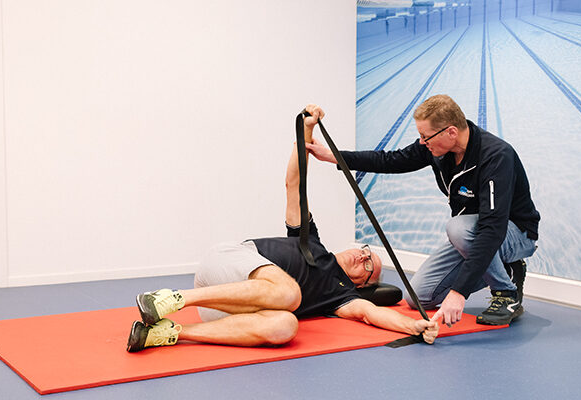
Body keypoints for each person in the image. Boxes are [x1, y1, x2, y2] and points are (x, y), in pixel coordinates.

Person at [126, 108, 439, 352]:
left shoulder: (341, 297)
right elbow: (295, 184)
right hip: (225, 265)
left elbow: (372, 314)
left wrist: (414, 327)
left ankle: (167, 333)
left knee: (286, 326)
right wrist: (307, 129)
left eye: (369, 267)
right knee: (289, 293)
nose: (362, 257)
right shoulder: (310, 240)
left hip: (223, 309)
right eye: (366, 252)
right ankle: (171, 298)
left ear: (362, 286)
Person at [305, 95, 540, 326]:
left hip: (514, 233)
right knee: (419, 297)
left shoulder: (496, 156)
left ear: (451, 132)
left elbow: (492, 229)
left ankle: (506, 293)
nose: (421, 142)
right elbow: (391, 160)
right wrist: (333, 156)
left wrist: (459, 293)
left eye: (425, 136)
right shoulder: (437, 148)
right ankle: (508, 269)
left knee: (457, 228)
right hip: (474, 235)